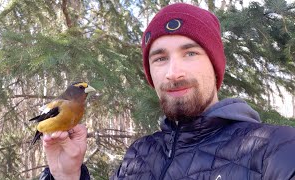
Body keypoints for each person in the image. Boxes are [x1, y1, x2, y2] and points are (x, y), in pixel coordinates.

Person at [39, 3, 295, 180]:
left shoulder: (277, 150)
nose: (174, 72)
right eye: (160, 58)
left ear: (215, 66)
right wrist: (67, 175)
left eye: (191, 53)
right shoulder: (137, 158)